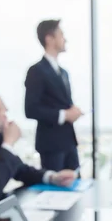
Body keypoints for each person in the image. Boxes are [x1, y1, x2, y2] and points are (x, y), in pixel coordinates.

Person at [0, 88, 76, 206]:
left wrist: (52, 177)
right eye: (2, 110)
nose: (6, 114)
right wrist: (8, 144)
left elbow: (19, 169)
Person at [25, 19, 83, 171]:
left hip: (69, 141)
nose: (65, 39)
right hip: (51, 144)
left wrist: (73, 111)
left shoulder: (63, 72)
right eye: (61, 35)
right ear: (49, 39)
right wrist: (64, 115)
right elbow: (30, 109)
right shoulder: (36, 71)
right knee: (56, 191)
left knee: (76, 185)